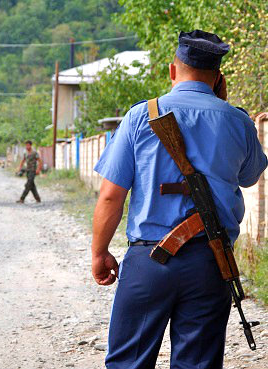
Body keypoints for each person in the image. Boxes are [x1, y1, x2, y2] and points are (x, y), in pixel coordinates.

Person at [91, 30, 267, 369]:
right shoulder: (240, 122)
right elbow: (249, 178)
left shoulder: (140, 116)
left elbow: (111, 196)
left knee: (128, 363)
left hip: (148, 260)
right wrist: (226, 108)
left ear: (173, 71)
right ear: (218, 77)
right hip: (211, 262)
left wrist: (99, 252)